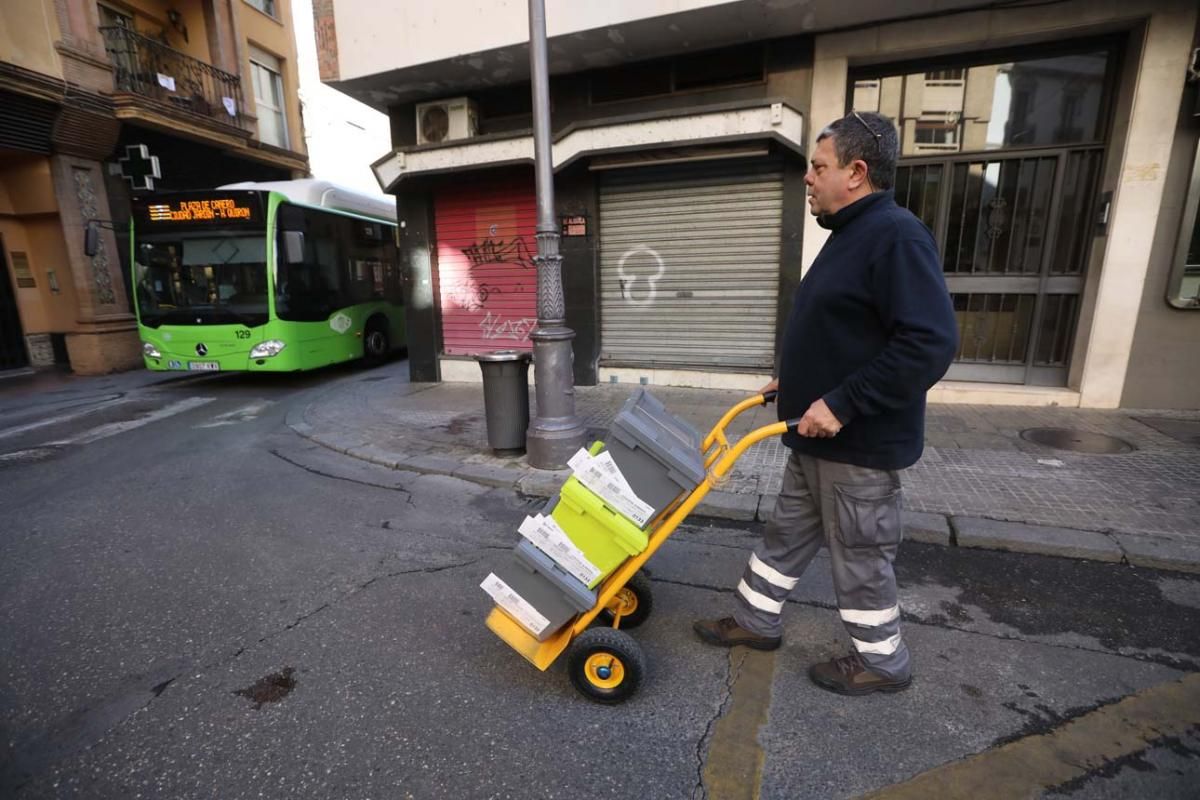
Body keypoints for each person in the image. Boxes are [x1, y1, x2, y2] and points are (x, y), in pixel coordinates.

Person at [693, 111, 958, 695]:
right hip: (814, 436)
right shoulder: (850, 236)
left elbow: (928, 342)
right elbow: (844, 332)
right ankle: (756, 621)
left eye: (818, 167)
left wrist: (842, 403)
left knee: (861, 558)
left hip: (855, 446)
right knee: (785, 535)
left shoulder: (895, 236)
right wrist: (789, 384)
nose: (808, 179)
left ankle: (883, 663)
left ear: (857, 173)